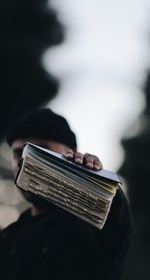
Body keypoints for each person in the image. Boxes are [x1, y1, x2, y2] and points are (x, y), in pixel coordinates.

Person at [0, 108, 131, 280]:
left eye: (40, 152)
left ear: (70, 155)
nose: (25, 162)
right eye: (19, 154)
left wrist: (95, 182)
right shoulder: (10, 236)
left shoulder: (88, 223)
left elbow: (112, 217)